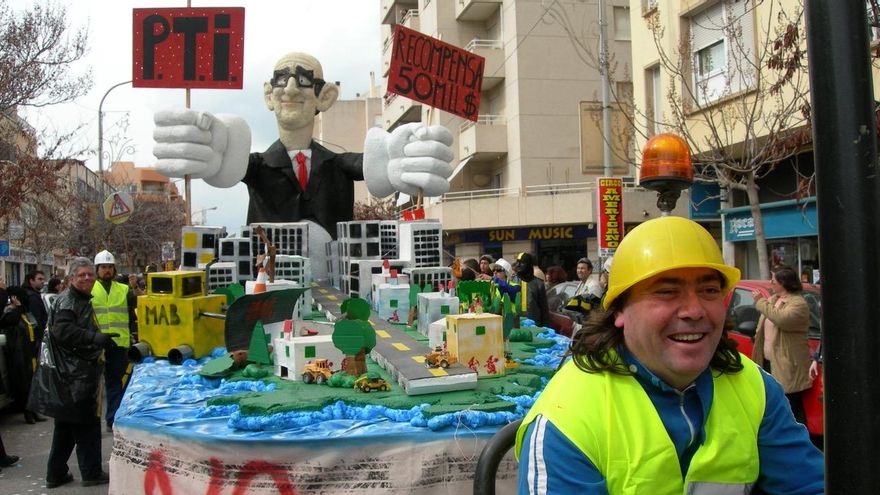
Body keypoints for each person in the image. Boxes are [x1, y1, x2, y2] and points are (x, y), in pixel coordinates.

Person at [516, 216, 823, 494]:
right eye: (666, 291)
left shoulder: (755, 387)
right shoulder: (567, 420)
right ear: (619, 310)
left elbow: (809, 486)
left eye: (709, 291)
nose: (694, 310)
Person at [153, 51, 453, 239]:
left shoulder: (338, 165)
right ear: (270, 95)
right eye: (282, 79)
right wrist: (213, 156)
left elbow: (372, 164)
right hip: (268, 281)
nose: (292, 88)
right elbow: (233, 165)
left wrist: (396, 161)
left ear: (325, 97)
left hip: (332, 287)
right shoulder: (256, 166)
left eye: (304, 79)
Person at [28, 257, 116, 489]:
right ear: (71, 279)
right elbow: (63, 331)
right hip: (74, 375)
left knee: (66, 427)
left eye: (89, 274)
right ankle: (91, 472)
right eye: (82, 275)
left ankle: (55, 473)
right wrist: (94, 338)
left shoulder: (77, 299)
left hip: (72, 373)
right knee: (86, 425)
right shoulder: (69, 300)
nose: (87, 278)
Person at [751, 264, 813, 424]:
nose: (771, 283)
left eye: (774, 280)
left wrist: (760, 302)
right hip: (768, 361)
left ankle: (798, 440)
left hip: (786, 363)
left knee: (791, 404)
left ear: (784, 283)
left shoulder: (798, 304)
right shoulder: (773, 300)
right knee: (770, 401)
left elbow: (782, 319)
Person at [91, 250, 138, 432]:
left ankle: (112, 419)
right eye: (103, 267)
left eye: (110, 267)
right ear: (97, 269)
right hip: (96, 344)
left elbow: (133, 316)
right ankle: (93, 421)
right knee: (94, 386)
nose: (107, 270)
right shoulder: (91, 289)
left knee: (115, 383)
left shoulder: (124, 290)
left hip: (119, 344)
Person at [1, 286, 44, 423]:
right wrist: (17, 307)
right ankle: (28, 413)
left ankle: (34, 411)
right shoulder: (10, 313)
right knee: (24, 386)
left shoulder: (26, 312)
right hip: (18, 356)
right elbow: (10, 322)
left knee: (33, 384)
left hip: (31, 354)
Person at [512, 252, 549, 328]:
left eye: (522, 263)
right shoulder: (512, 282)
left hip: (534, 326)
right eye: (517, 262)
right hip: (515, 325)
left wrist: (545, 327)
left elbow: (544, 308)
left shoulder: (539, 283)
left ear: (528, 264)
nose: (518, 265)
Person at [22, 270, 48, 341]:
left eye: (43, 279)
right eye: (39, 279)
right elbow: (36, 319)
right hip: (33, 337)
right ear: (31, 280)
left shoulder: (29, 294)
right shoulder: (32, 297)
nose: (43, 281)